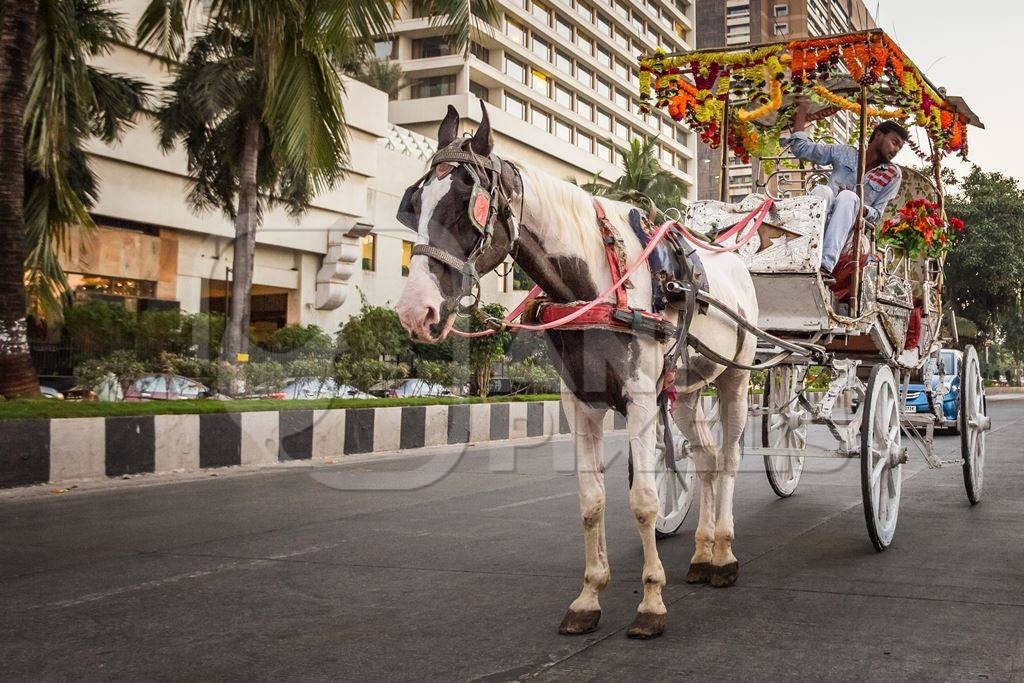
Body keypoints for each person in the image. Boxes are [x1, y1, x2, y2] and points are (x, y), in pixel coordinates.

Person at [789, 96, 908, 280]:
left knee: (848, 198)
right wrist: (802, 111)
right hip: (822, 217)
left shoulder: (892, 174)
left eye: (899, 148)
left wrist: (857, 203)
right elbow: (801, 148)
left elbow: (876, 214)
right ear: (878, 135)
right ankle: (801, 255)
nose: (895, 150)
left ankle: (824, 266)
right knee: (823, 191)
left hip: (852, 231)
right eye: (894, 142)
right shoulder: (845, 153)